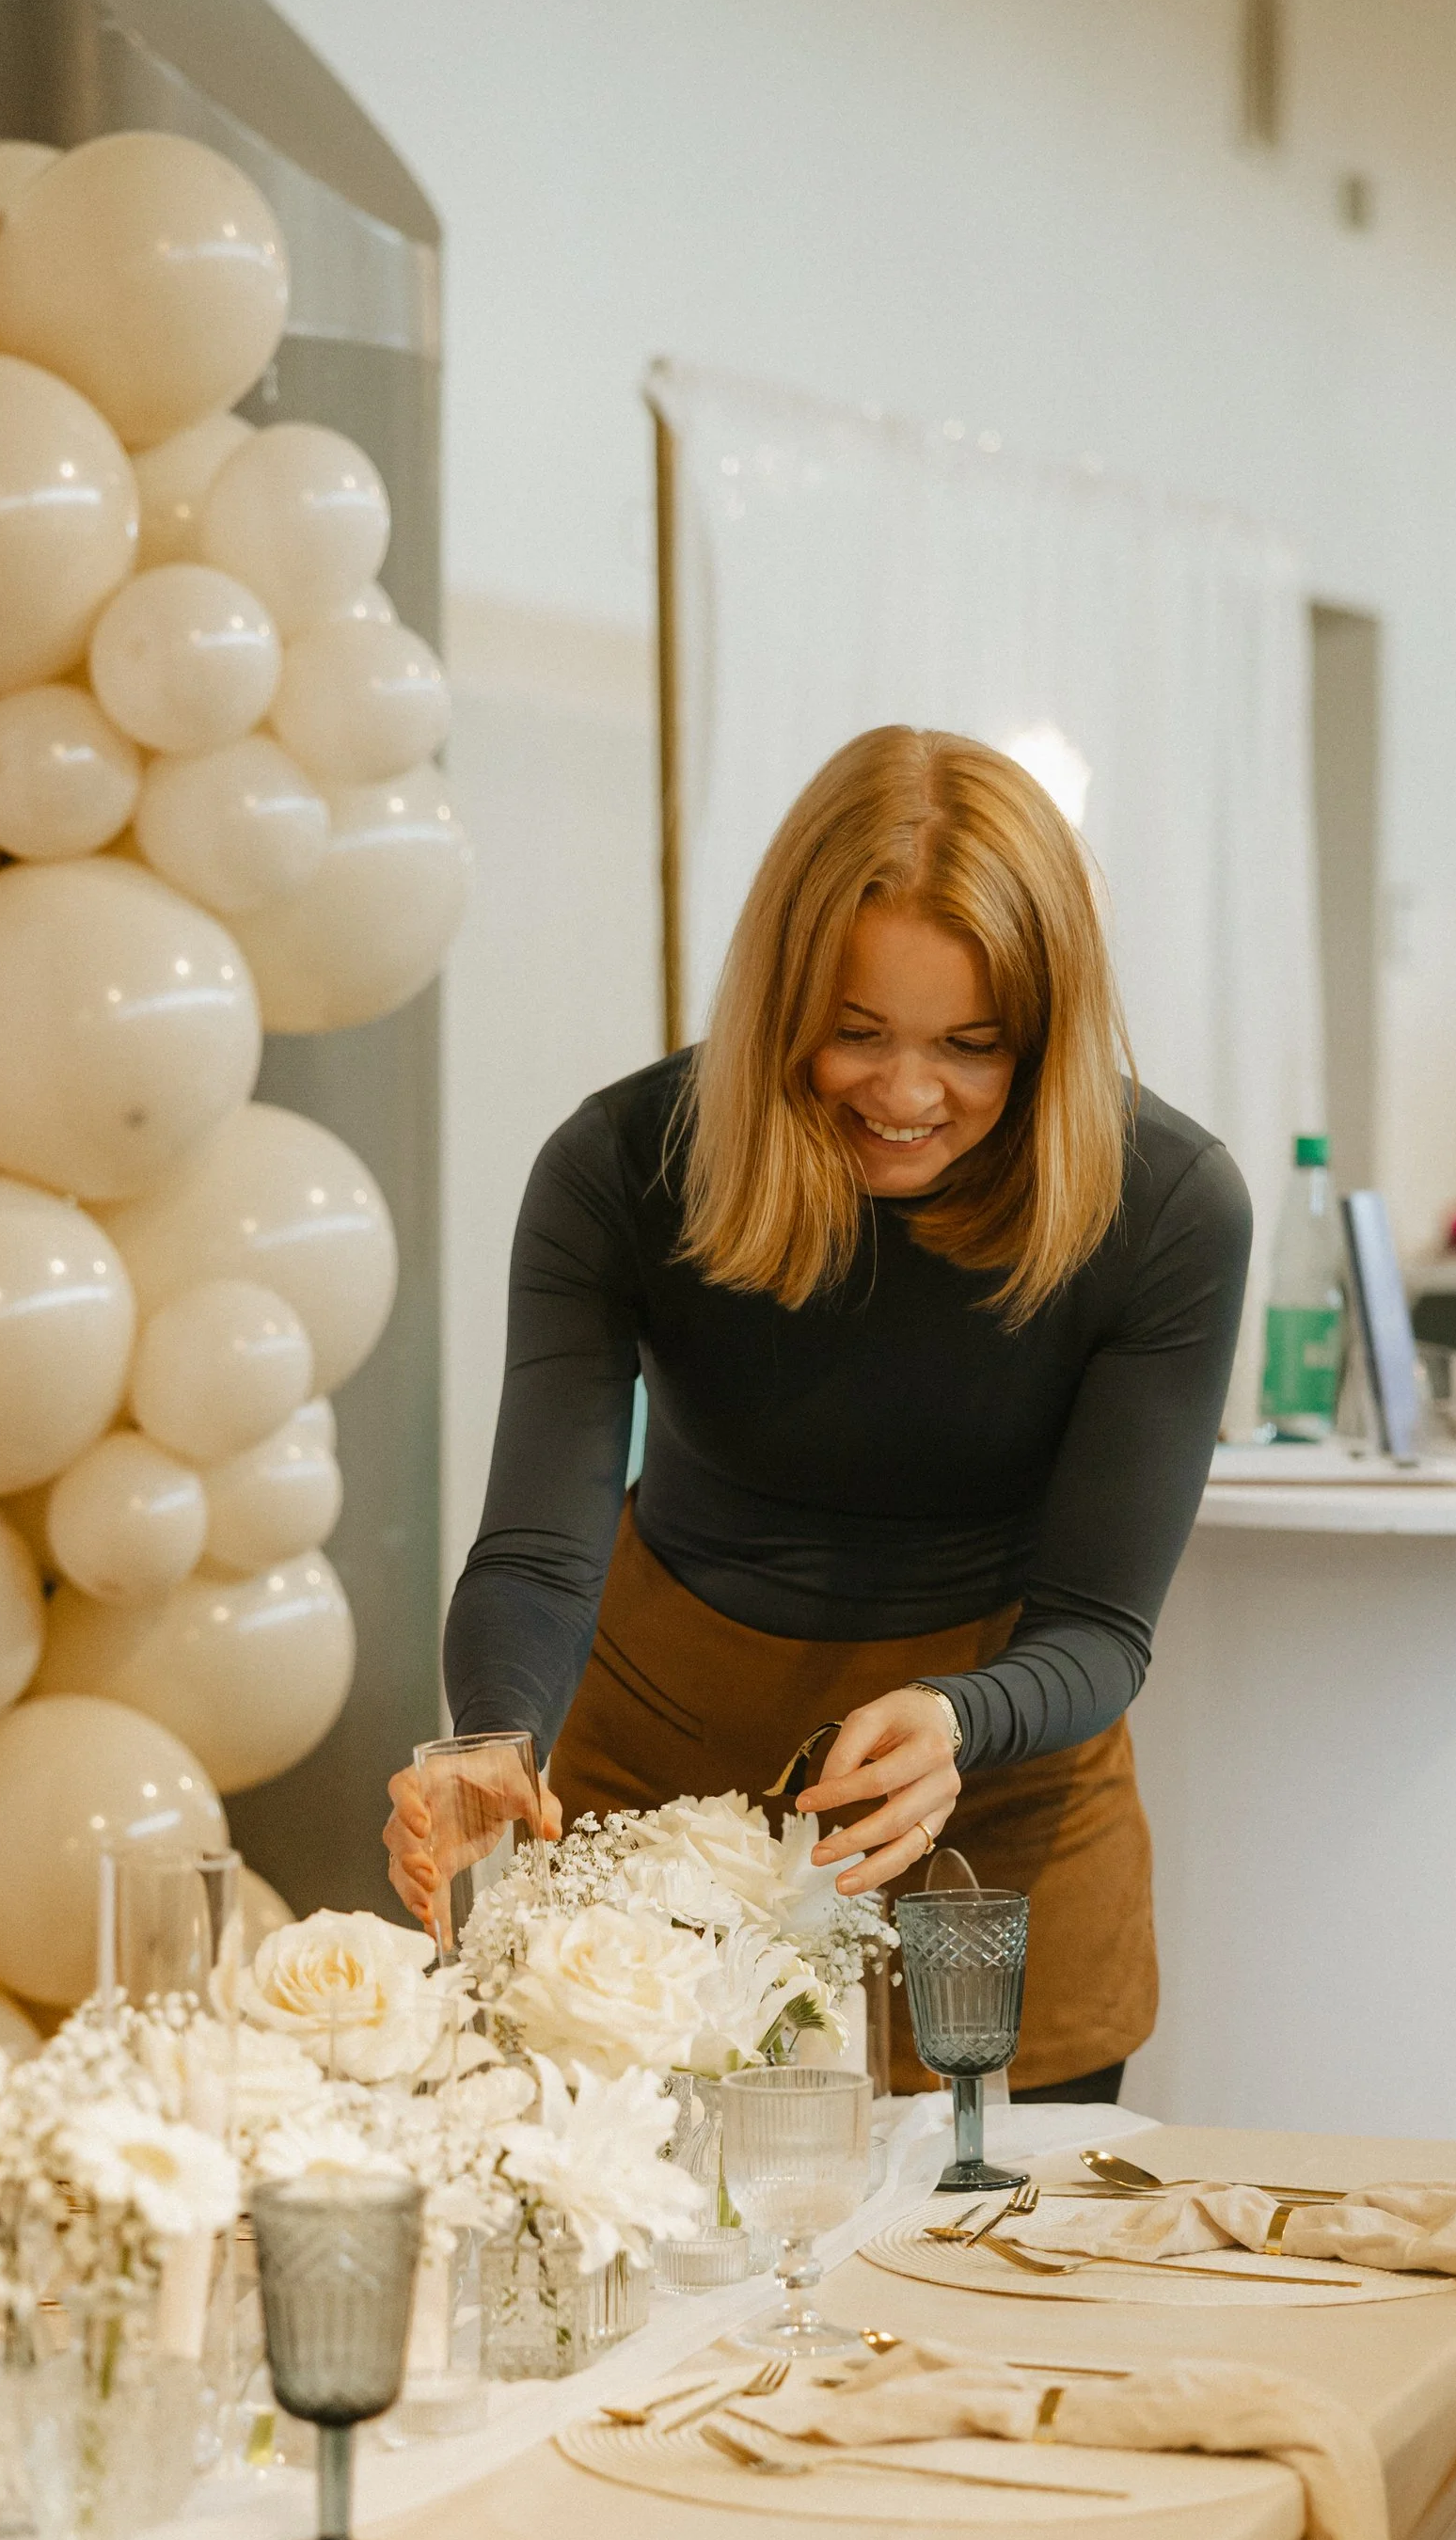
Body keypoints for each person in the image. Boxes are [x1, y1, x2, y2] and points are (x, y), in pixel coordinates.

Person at [386, 725, 1251, 2097]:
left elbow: (1099, 1626)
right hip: (655, 1785)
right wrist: (494, 1730)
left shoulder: (1164, 1206)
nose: (908, 1097)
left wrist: (962, 1716)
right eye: (858, 1034)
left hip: (990, 1784)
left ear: (1049, 1027)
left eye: (973, 1046)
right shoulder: (622, 1168)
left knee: (995, 2276)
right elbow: (542, 1551)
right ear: (782, 999)